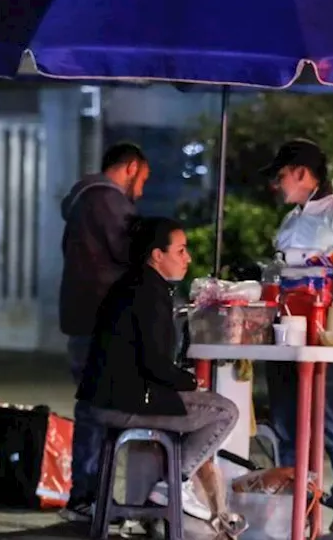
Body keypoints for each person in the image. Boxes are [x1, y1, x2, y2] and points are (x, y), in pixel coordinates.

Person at [76, 216, 244, 535]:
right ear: (157, 255)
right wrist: (190, 382)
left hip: (111, 396)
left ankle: (169, 492)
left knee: (206, 404)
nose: (188, 258)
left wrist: (183, 383)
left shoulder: (135, 284)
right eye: (181, 251)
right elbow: (154, 363)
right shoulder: (147, 292)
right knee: (225, 411)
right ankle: (174, 484)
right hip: (123, 401)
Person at [261, 138, 333, 538]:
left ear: (303, 174)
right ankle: (298, 505)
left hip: (325, 337)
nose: (277, 184)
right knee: (288, 424)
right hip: (284, 334)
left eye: (281, 175)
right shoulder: (290, 221)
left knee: (332, 425)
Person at [57, 142, 150, 521]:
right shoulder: (107, 202)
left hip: (83, 319)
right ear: (129, 167)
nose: (141, 190)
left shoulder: (81, 200)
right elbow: (132, 254)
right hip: (102, 320)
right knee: (100, 411)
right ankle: (89, 498)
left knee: (92, 408)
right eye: (142, 179)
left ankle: (88, 496)